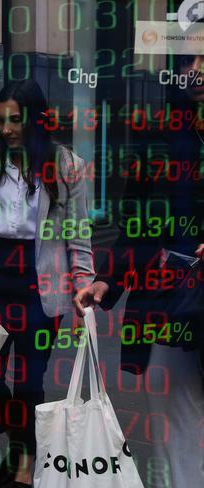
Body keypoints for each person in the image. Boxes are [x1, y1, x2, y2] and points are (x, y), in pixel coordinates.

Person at [0, 80, 94, 488]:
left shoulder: (67, 165)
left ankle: (25, 466)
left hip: (39, 283)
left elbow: (78, 235)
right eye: (1, 120)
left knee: (28, 380)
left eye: (16, 120)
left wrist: (86, 284)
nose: (7, 129)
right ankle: (21, 443)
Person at [74, 54, 204, 488]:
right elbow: (137, 220)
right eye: (189, 61)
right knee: (173, 418)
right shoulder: (162, 132)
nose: (197, 70)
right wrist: (107, 278)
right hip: (170, 300)